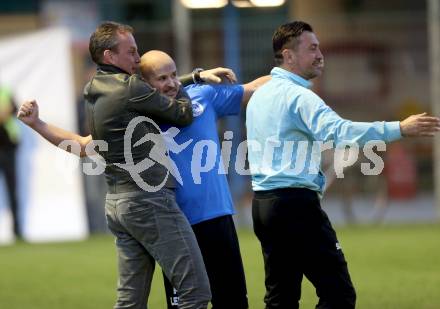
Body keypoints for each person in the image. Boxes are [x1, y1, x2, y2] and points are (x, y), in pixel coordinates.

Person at [18, 49, 269, 309]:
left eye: (173, 75)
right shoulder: (134, 118)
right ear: (143, 86)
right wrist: (37, 123)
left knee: (233, 302)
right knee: (187, 302)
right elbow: (82, 146)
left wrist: (287, 75)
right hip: (174, 223)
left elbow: (251, 90)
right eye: (162, 78)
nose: (171, 83)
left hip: (216, 218)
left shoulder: (201, 96)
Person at [245, 21, 440, 309]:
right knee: (338, 294)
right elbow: (341, 133)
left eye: (319, 47)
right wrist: (399, 128)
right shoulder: (300, 96)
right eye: (312, 49)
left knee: (281, 298)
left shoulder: (259, 97)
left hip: (263, 205)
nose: (320, 54)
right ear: (288, 56)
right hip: (295, 205)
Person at [0, 85, 21, 239]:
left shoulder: (6, 91)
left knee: (12, 191)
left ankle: (17, 231)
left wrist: (5, 113)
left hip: (8, 148)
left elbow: (15, 111)